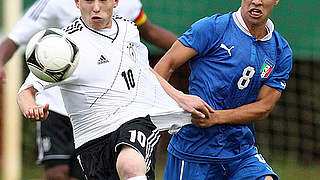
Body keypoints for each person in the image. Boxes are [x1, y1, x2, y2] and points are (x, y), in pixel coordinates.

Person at [17, 0, 212, 179]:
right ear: (77, 2)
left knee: (129, 166)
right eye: (88, 1)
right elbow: (26, 91)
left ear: (116, 1)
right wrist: (30, 108)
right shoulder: (63, 45)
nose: (95, 7)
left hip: (134, 119)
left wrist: (180, 97)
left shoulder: (129, 29)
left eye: (102, 0)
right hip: (91, 140)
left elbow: (144, 71)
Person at [154, 0, 293, 179]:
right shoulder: (212, 28)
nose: (256, 1)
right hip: (194, 150)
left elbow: (264, 106)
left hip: (240, 151)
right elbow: (165, 66)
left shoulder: (280, 51)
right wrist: (164, 110)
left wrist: (217, 118)